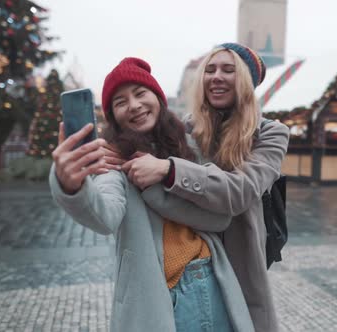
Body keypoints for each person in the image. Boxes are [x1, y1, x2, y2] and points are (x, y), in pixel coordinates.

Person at [50, 57, 254, 332]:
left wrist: (163, 177)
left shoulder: (189, 147)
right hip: (160, 297)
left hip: (214, 281)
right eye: (120, 102)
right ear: (113, 116)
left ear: (158, 98)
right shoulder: (113, 163)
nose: (134, 105)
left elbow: (219, 219)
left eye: (140, 93)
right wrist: (71, 186)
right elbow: (104, 216)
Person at [116, 43, 290, 332]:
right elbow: (143, 147)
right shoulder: (186, 128)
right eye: (209, 70)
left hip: (238, 258)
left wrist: (169, 169)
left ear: (246, 81)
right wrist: (114, 152)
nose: (216, 76)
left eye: (228, 70)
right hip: (187, 266)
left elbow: (241, 192)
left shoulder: (271, 134)